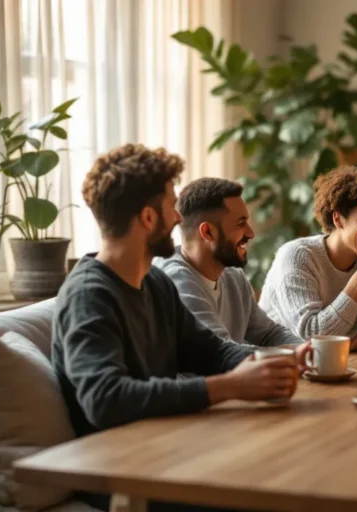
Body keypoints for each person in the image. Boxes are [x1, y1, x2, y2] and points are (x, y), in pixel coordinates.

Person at [53, 144, 303, 511]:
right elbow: (105, 399)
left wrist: (282, 359)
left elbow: (212, 350)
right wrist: (231, 386)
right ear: (148, 218)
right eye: (171, 205)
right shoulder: (89, 296)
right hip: (122, 472)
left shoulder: (154, 283)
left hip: (168, 448)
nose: (177, 216)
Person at [259, 165, 357, 350]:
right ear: (338, 219)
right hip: (278, 360)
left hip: (337, 358)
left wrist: (355, 344)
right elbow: (312, 334)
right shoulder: (297, 257)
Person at [158, 177, 307, 354]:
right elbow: (222, 351)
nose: (251, 233)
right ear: (208, 232)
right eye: (241, 223)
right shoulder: (176, 282)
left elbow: (268, 333)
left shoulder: (233, 275)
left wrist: (308, 350)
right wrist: (292, 355)